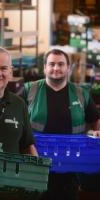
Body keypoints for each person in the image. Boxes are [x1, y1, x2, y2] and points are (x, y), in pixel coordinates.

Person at [23, 48, 100, 200]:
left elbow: (96, 119)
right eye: (51, 64)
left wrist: (97, 132)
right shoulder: (29, 90)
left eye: (60, 64)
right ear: (44, 67)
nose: (56, 68)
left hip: (71, 165)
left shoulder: (81, 93)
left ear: (68, 67)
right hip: (36, 161)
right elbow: (15, 119)